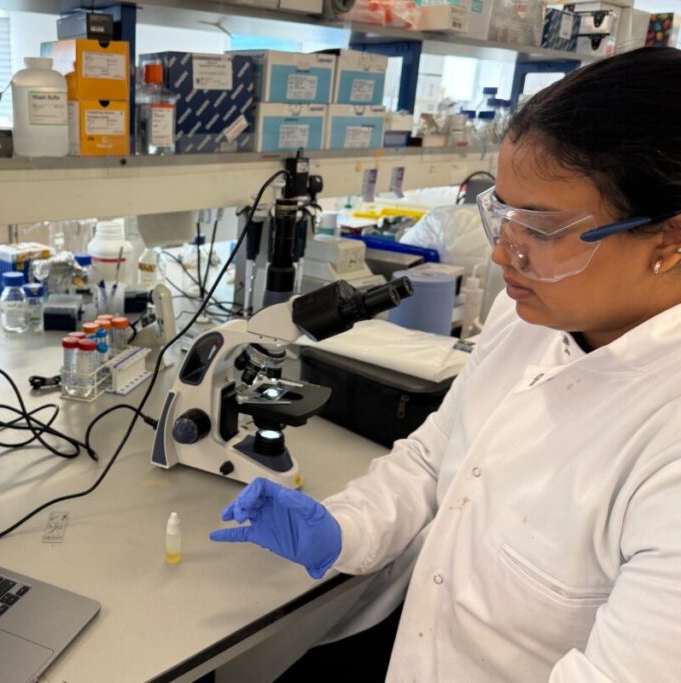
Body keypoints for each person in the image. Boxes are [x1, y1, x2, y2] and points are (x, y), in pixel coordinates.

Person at [210, 47, 681, 682]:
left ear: (670, 239)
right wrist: (346, 526)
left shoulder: (666, 439)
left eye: (539, 230)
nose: (503, 256)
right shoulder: (532, 318)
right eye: (500, 212)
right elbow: (440, 454)